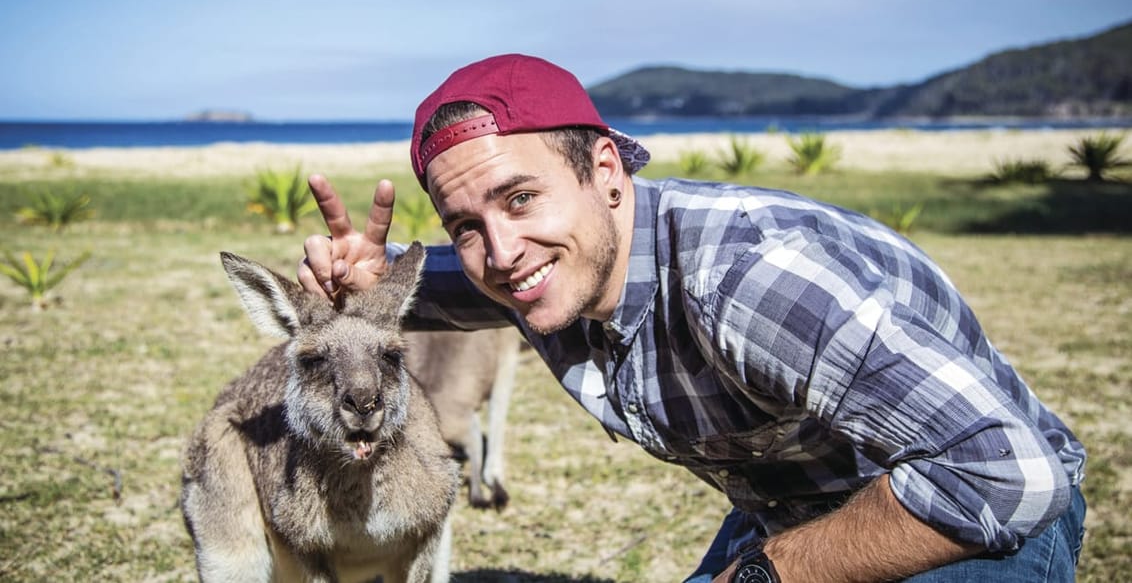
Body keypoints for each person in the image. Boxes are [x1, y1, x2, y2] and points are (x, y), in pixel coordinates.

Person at [297, 54, 1087, 582]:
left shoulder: (748, 280)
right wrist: (359, 289)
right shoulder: (540, 268)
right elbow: (436, 283)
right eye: (465, 223)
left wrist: (768, 571)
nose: (501, 251)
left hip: (963, 501)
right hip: (801, 508)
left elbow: (1009, 473)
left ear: (605, 170)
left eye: (519, 196)